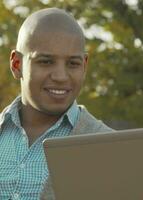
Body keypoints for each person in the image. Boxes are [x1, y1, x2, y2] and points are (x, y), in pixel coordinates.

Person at [0, 8, 113, 200]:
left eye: (72, 64)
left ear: (84, 65)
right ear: (17, 64)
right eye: (45, 61)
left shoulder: (111, 148)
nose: (60, 76)